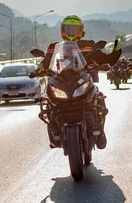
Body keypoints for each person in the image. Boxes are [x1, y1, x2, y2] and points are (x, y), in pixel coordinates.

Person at [35, 14, 121, 149]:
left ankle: (100, 130)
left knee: (98, 97)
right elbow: (46, 62)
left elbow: (104, 59)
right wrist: (38, 70)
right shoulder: (54, 46)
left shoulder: (88, 45)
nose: (71, 32)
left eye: (74, 29)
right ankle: (54, 131)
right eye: (68, 29)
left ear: (82, 31)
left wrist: (115, 53)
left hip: (82, 80)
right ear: (62, 31)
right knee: (48, 103)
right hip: (61, 81)